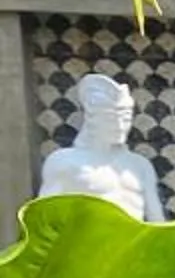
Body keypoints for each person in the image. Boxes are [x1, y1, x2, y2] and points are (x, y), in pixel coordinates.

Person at [39, 73, 164, 221]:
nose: (120, 127)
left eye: (125, 119)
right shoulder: (63, 162)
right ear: (92, 120)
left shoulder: (140, 165)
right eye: (111, 119)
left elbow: (157, 220)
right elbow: (44, 219)